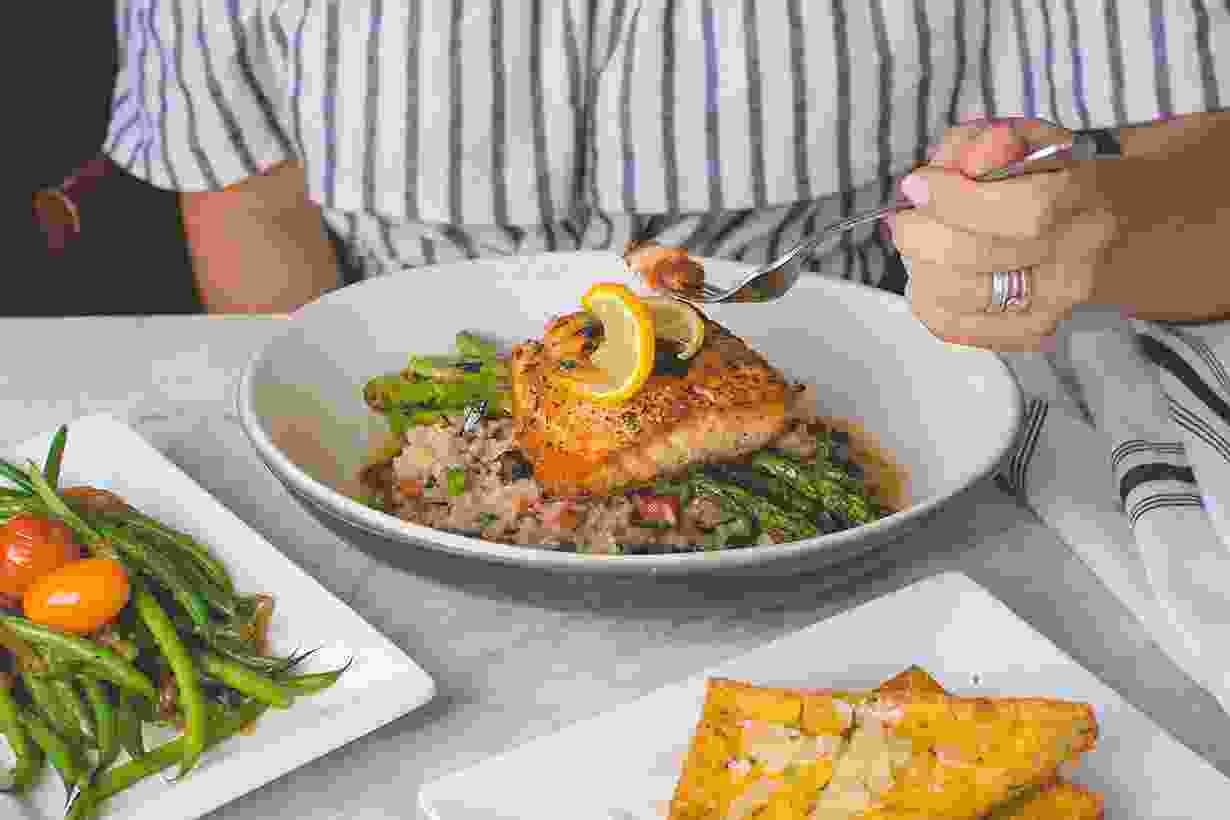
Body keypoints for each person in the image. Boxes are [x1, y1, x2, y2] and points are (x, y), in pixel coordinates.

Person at [102, 1, 1230, 334]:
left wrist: (1082, 234)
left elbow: (1208, 219)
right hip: (402, 421)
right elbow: (250, 208)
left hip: (867, 400)